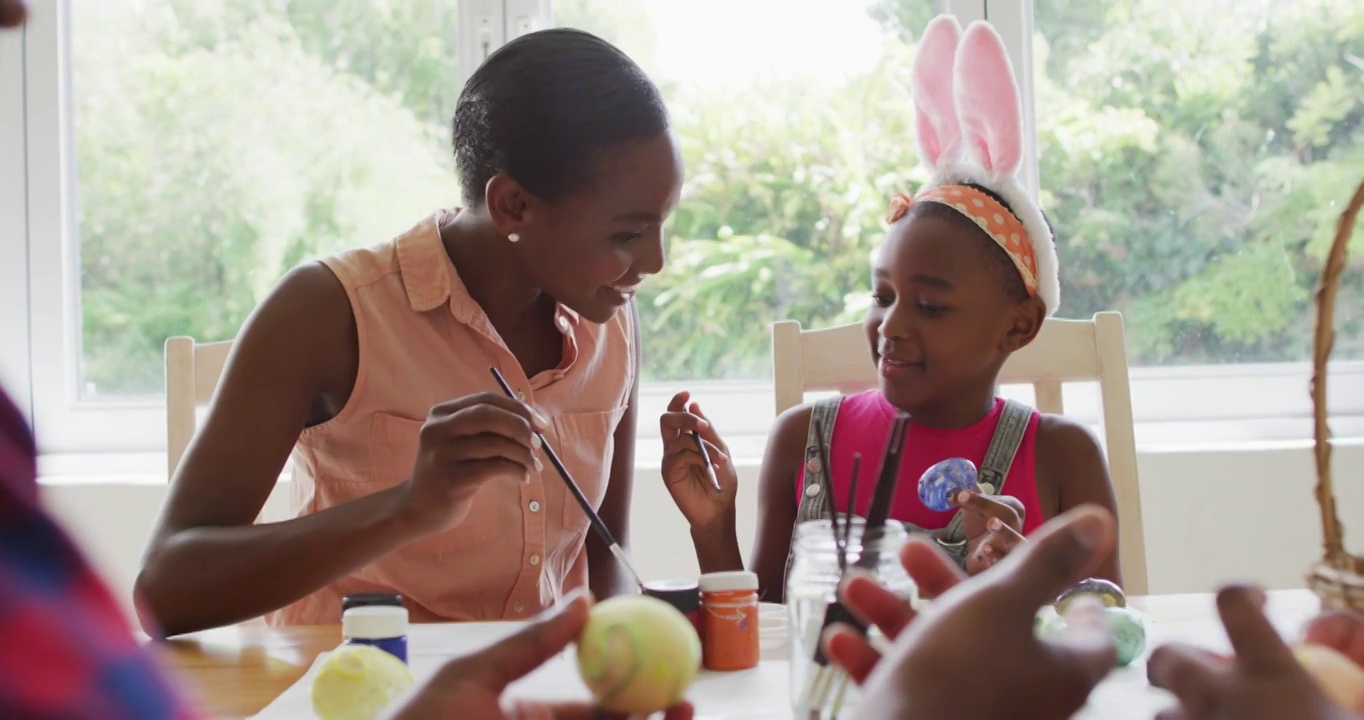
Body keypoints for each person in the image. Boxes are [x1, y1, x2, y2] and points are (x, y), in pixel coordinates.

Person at [135, 27, 684, 635]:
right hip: (360, 690)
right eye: (628, 235)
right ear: (513, 207)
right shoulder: (325, 313)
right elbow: (165, 590)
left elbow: (607, 557)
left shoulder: (610, 316)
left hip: (537, 689)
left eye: (663, 224)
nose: (656, 261)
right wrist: (406, 508)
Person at [658, 15, 1120, 602]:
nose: (891, 326)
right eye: (883, 297)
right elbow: (768, 635)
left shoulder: (1064, 458)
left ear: (1018, 325)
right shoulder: (803, 440)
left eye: (930, 306)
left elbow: (1110, 639)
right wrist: (712, 527)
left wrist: (1026, 588)